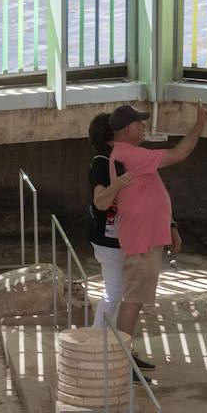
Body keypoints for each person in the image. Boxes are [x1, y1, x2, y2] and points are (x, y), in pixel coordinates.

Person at [109, 103, 207, 369]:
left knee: (136, 297)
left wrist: (170, 226)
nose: (143, 127)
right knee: (133, 299)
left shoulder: (131, 155)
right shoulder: (130, 154)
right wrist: (199, 125)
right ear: (127, 129)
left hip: (146, 237)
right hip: (141, 239)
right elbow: (178, 154)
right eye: (139, 123)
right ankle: (121, 361)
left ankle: (125, 354)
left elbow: (153, 191)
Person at [87, 113, 135, 329]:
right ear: (111, 140)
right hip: (107, 238)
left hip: (117, 236)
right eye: (121, 130)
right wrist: (116, 186)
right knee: (114, 291)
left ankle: (110, 337)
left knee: (119, 290)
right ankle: (98, 339)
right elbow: (100, 201)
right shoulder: (101, 163)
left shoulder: (118, 160)